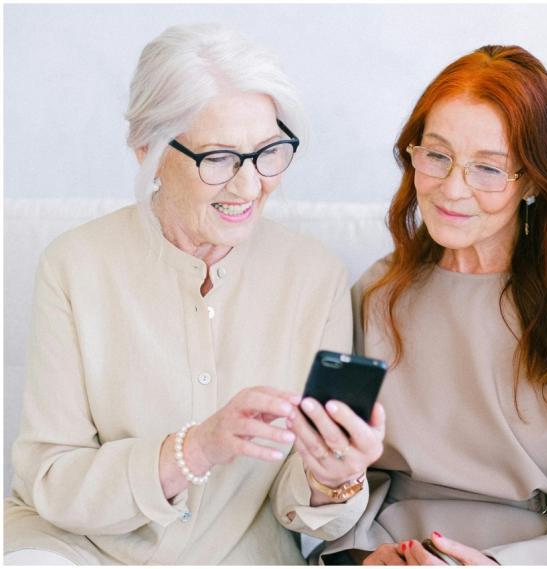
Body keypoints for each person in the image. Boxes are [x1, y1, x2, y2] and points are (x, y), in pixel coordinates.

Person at [3, 23, 384, 565]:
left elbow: (297, 507)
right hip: (79, 550)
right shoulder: (74, 265)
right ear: (148, 150)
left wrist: (334, 476)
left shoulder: (314, 276)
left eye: (268, 151)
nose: (249, 186)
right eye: (218, 158)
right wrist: (196, 448)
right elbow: (52, 478)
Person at [320, 45, 547, 565]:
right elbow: (335, 475)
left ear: (535, 181)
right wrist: (361, 558)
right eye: (437, 156)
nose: (453, 189)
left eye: (488, 169)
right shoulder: (377, 293)